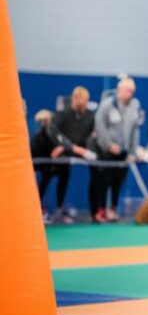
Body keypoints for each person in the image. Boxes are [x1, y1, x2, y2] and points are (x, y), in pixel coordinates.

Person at [90, 77, 147, 223]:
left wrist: (133, 152)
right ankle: (100, 210)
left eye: (130, 91)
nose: (127, 93)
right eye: (124, 90)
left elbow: (135, 130)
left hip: (123, 152)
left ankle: (113, 209)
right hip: (106, 151)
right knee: (103, 182)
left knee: (117, 182)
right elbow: (99, 126)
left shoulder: (135, 106)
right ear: (119, 90)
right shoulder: (107, 105)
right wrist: (109, 145)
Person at [49, 87, 96, 222]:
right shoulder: (62, 114)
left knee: (99, 167)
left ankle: (96, 211)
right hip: (60, 151)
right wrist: (67, 147)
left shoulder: (89, 116)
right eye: (80, 102)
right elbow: (53, 131)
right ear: (74, 100)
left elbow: (91, 136)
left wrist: (85, 150)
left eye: (85, 102)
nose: (82, 105)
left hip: (80, 150)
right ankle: (57, 209)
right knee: (59, 173)